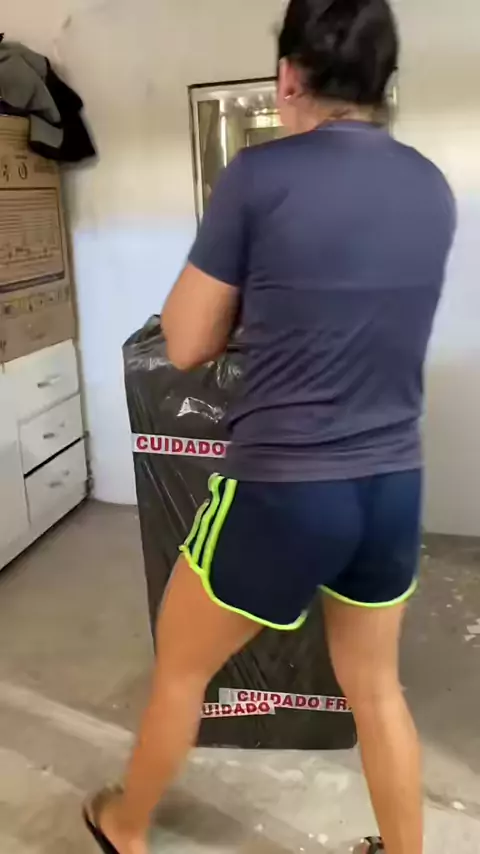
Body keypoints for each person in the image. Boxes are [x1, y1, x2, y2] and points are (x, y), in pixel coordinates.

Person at [84, 1, 456, 853]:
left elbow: (185, 343)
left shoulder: (258, 176)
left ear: (289, 76)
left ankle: (124, 825)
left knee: (181, 666)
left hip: (285, 488)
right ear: (384, 82)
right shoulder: (430, 187)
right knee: (377, 689)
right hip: (391, 483)